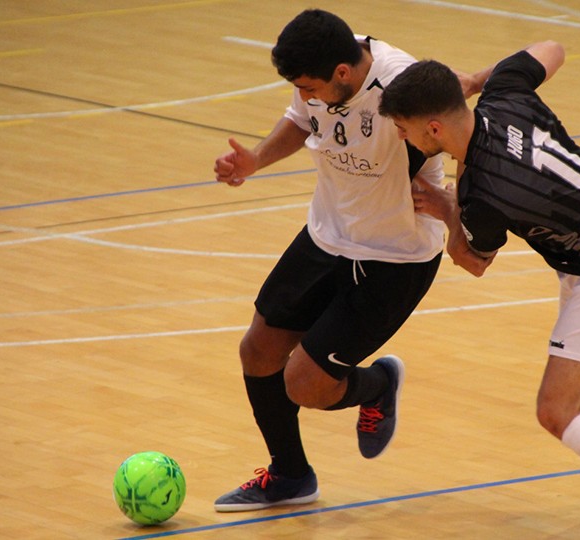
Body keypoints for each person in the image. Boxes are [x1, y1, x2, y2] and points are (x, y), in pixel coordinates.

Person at [378, 42, 580, 540]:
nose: (401, 137)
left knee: (558, 411)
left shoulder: (483, 196)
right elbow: (552, 48)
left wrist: (448, 210)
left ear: (433, 129)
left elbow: (474, 261)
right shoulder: (506, 93)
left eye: (402, 129)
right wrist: (475, 81)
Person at [211, 9, 447, 512]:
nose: (306, 95)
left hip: (394, 257)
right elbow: (300, 121)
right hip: (327, 236)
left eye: (311, 86)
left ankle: (379, 383)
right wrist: (255, 160)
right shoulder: (320, 75)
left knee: (306, 385)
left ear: (344, 72)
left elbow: (459, 133)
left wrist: (458, 215)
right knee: (258, 351)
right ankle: (290, 476)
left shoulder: (401, 85)